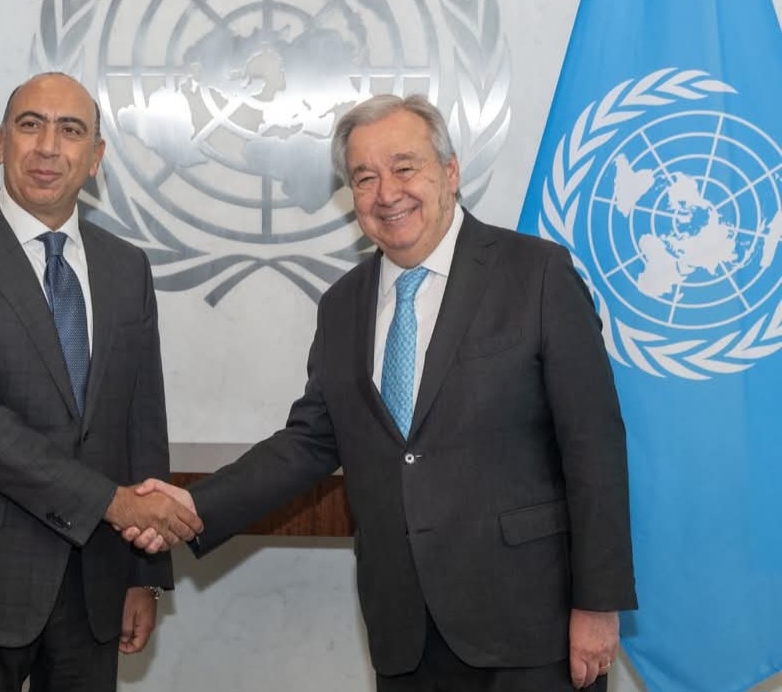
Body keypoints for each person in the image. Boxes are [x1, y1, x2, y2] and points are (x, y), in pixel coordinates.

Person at [128, 94, 637, 691]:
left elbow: (594, 447)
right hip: (405, 632)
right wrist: (194, 508)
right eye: (364, 177)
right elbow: (310, 443)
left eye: (404, 167)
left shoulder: (538, 274)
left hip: (532, 628)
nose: (386, 192)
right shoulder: (343, 304)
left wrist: (598, 604)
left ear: (450, 172)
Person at [0, 72, 203, 692]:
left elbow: (141, 420)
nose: (48, 147)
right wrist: (113, 504)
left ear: (96, 157)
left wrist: (143, 574)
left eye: (71, 130)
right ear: (1, 142)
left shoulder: (126, 267)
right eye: (30, 125)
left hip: (95, 584)